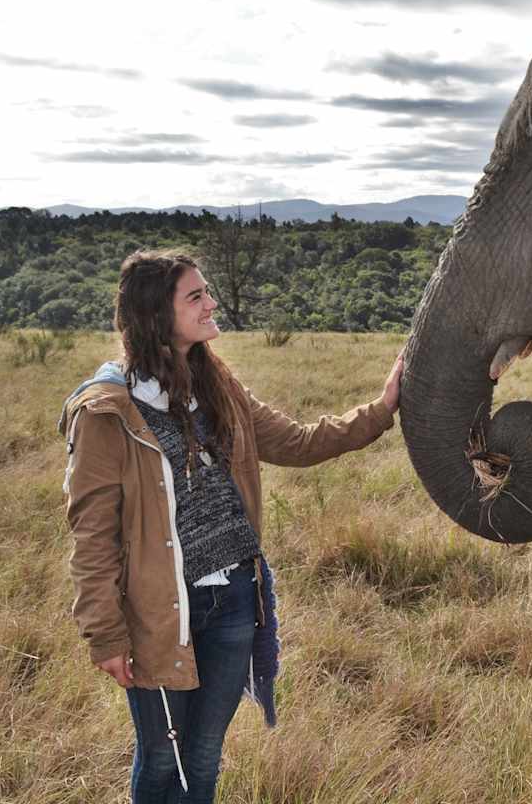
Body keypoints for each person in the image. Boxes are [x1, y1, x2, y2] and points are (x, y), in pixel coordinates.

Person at [58, 249, 402, 802]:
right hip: (161, 611)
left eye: (207, 291)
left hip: (236, 599)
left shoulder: (218, 387)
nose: (211, 302)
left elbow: (300, 442)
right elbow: (92, 537)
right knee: (163, 758)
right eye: (195, 296)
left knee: (203, 755)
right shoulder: (105, 412)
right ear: (155, 315)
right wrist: (105, 635)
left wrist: (384, 407)